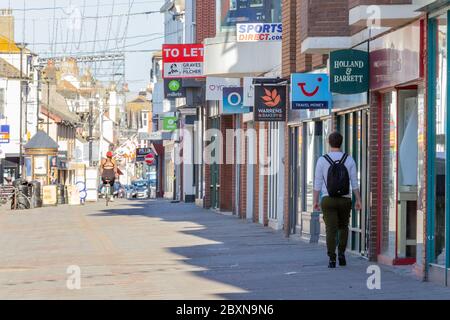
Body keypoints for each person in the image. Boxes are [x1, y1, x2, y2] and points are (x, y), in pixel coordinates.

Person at [313, 132, 362, 269]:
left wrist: (315, 201)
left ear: (329, 142)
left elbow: (317, 183)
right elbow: (354, 183)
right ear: (341, 142)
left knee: (330, 229)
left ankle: (332, 259)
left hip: (328, 199)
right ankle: (341, 253)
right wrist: (358, 200)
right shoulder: (349, 159)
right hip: (345, 199)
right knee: (343, 226)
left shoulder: (322, 160)